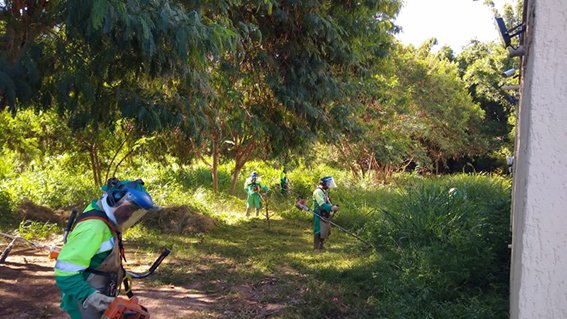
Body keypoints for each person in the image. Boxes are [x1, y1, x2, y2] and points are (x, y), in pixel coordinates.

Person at [54, 177, 154, 319]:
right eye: (129, 208)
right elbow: (64, 273)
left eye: (134, 210)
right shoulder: (94, 228)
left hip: (99, 291)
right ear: (115, 199)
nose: (129, 214)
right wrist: (92, 297)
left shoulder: (103, 213)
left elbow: (101, 255)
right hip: (84, 299)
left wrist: (119, 273)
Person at [312, 176, 339, 250]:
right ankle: (316, 248)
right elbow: (322, 204)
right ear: (324, 184)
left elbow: (327, 201)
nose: (329, 187)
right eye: (328, 185)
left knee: (326, 231)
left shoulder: (324, 192)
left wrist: (332, 207)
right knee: (318, 231)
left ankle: (321, 245)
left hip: (325, 214)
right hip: (319, 213)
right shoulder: (318, 192)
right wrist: (331, 208)